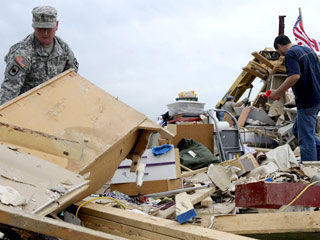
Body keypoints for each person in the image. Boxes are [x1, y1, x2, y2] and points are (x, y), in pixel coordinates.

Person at [0, 6, 79, 105]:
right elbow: (10, 89)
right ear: (33, 27)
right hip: (27, 107)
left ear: (56, 25)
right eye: (40, 28)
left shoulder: (64, 49)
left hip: (54, 105)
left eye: (49, 28)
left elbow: (72, 77)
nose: (45, 33)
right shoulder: (22, 53)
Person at [270, 35, 320, 161]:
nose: (280, 54)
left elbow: (294, 76)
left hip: (307, 100)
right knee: (297, 129)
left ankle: (310, 168)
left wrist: (277, 92)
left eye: (278, 51)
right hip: (317, 97)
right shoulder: (308, 50)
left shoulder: (291, 54)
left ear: (279, 46)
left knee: (305, 138)